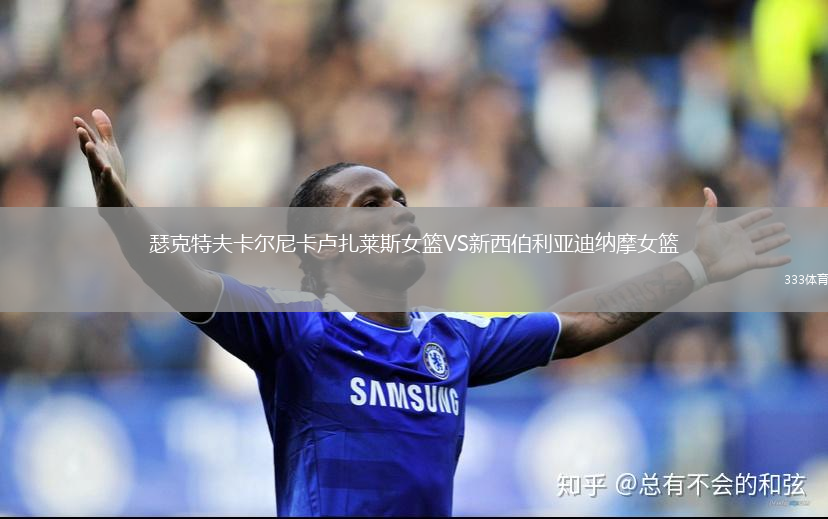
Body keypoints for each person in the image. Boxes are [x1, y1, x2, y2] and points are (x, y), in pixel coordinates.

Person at [73, 109, 790, 516]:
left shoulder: (452, 339)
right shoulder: (298, 331)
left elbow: (575, 323)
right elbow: (182, 278)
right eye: (372, 203)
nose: (401, 212)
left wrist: (696, 267)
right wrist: (120, 210)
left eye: (402, 199)